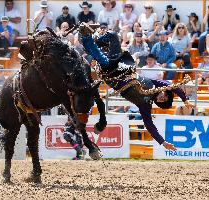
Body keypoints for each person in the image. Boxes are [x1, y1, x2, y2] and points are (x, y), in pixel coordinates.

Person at [79, 23, 194, 151]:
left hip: (113, 76)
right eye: (165, 96)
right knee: (112, 35)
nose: (162, 97)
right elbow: (174, 87)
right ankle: (91, 44)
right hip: (122, 66)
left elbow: (150, 126)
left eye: (162, 100)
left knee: (103, 60)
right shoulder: (156, 84)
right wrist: (185, 99)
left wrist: (163, 142)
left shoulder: (145, 105)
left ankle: (86, 39)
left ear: (159, 102)